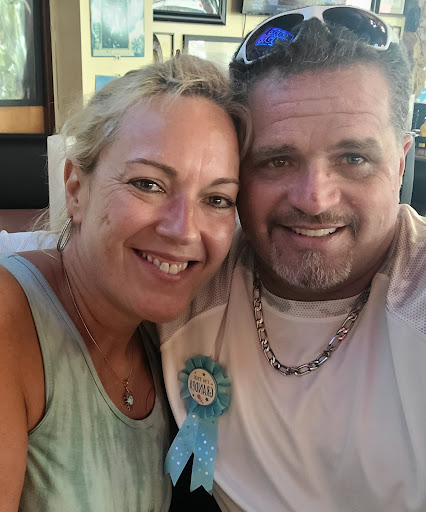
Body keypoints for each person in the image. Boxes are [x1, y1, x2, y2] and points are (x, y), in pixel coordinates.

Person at [159, 7, 426, 512]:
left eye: (353, 159)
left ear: (400, 164)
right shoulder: (183, 270)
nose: (314, 199)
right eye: (277, 160)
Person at [0, 55, 248, 511]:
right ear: (76, 189)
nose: (183, 230)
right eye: (148, 184)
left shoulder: (168, 340)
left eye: (216, 199)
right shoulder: (9, 321)